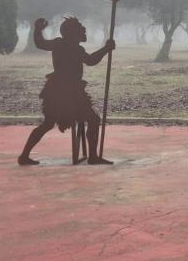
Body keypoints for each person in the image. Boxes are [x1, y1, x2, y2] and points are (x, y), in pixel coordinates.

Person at [18, 16, 115, 165]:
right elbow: (90, 60)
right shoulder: (63, 45)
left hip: (62, 91)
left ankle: (24, 155)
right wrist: (106, 49)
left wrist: (105, 49)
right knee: (92, 120)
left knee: (48, 124)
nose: (83, 30)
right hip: (65, 93)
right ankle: (93, 157)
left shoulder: (69, 46)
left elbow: (41, 43)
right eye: (80, 28)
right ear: (72, 33)